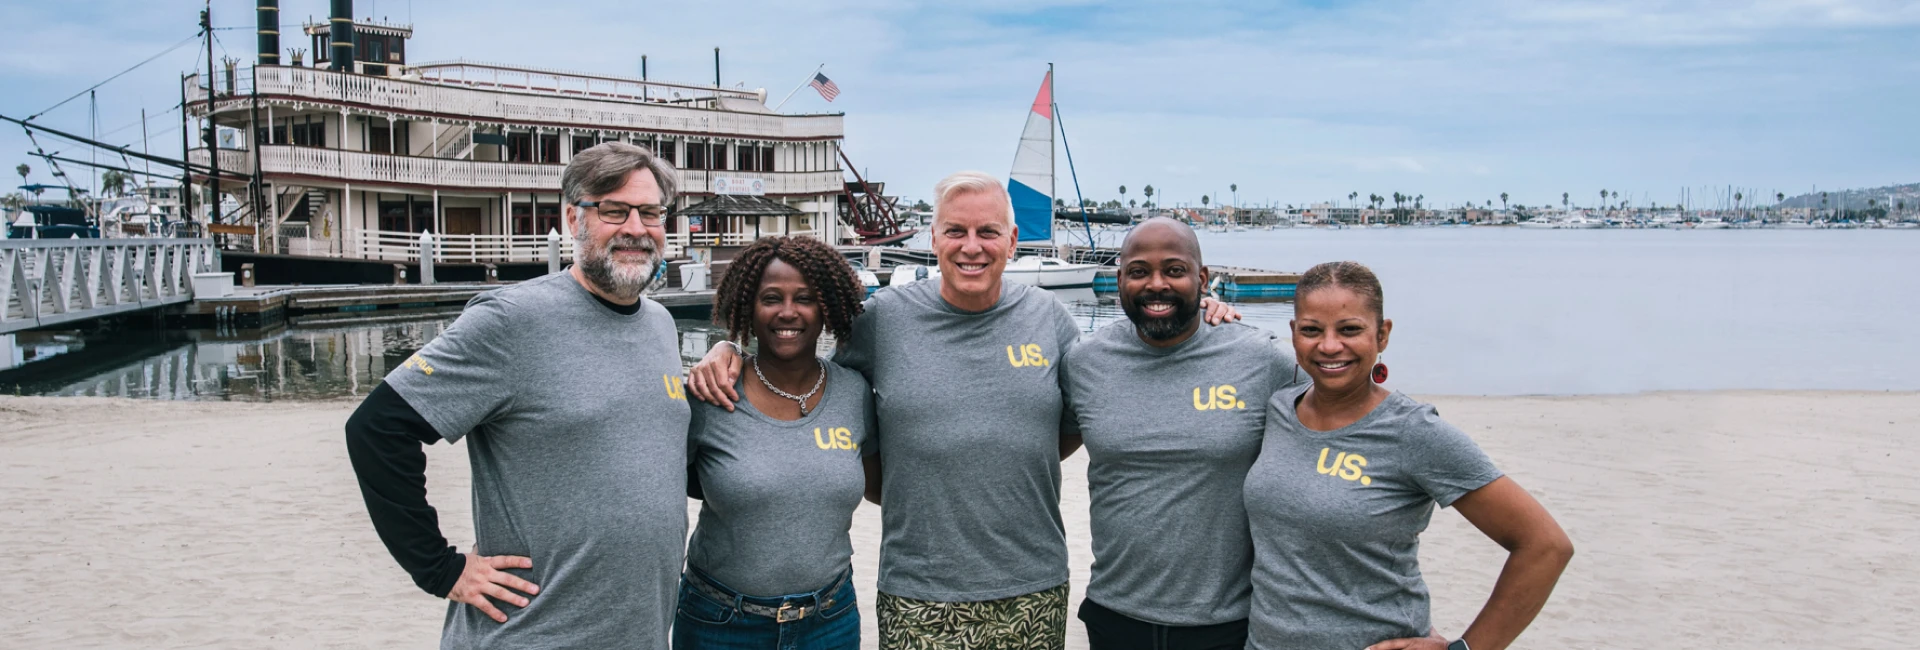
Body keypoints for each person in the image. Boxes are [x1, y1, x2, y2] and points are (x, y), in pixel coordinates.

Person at [688, 172, 1237, 649]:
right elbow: (815, 378)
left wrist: (1205, 320)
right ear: (934, 238)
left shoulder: (1050, 319)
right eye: (956, 231)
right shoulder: (885, 321)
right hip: (917, 589)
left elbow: (1095, 399)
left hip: (1034, 582)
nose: (971, 246)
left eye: (987, 232)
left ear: (1013, 240)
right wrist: (730, 349)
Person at [344, 142, 691, 649]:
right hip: (531, 635)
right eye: (614, 210)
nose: (636, 228)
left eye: (651, 212)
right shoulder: (512, 320)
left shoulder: (659, 324)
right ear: (574, 217)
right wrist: (440, 568)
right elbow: (377, 430)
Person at [1244, 261, 1575, 650]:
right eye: (1312, 330)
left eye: (1350, 329)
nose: (1329, 345)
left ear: (1382, 335)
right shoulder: (1280, 407)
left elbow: (1545, 546)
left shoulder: (1413, 432)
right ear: (1294, 334)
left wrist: (1466, 649)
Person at [1059, 217, 1304, 650]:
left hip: (1229, 623)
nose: (1157, 284)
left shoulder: (1260, 359)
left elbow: (1339, 422)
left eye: (1174, 270)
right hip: (1114, 614)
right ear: (1119, 281)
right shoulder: (1085, 362)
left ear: (1202, 279)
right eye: (1139, 272)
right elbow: (1037, 444)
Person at [676, 235, 874, 649]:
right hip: (720, 623)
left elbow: (881, 484)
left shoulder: (855, 394)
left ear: (827, 309)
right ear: (747, 306)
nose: (788, 312)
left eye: (804, 298)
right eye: (771, 298)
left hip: (830, 621)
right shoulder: (709, 395)